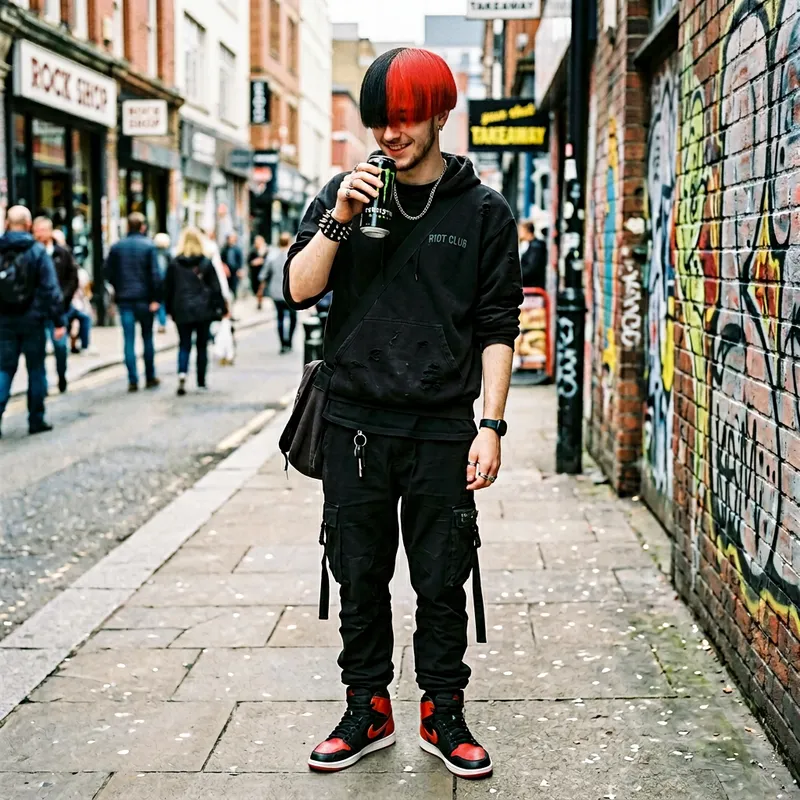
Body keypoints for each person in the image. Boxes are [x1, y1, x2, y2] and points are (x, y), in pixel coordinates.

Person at [284, 47, 522, 779]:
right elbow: (297, 289)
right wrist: (339, 219)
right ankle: (368, 709)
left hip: (443, 428)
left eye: (406, 119)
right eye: (380, 120)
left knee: (442, 577)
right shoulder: (343, 193)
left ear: (440, 115)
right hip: (354, 421)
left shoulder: (483, 211)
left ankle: (443, 713)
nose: (390, 134)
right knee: (358, 573)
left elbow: (498, 326)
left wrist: (492, 425)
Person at [0, 206, 65, 436]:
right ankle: (36, 419)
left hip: (5, 321)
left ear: (7, 223)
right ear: (28, 225)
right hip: (33, 320)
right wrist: (58, 321)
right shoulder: (37, 251)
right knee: (36, 370)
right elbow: (51, 289)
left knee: (4, 369)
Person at [164, 227, 226, 396]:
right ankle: (201, 382)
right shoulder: (205, 262)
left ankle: (182, 374)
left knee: (184, 344)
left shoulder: (174, 263)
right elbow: (215, 288)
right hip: (203, 310)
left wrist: (169, 309)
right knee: (201, 346)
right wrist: (221, 308)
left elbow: (167, 289)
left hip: (181, 309)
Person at [105, 212, 162, 392]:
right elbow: (155, 275)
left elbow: (107, 272)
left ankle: (133, 379)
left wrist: (118, 288)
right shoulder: (149, 246)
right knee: (147, 339)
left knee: (128, 340)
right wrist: (156, 299)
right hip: (145, 300)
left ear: (128, 227)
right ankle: (150, 376)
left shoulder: (117, 247)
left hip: (125, 300)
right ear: (143, 227)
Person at [32, 216, 78, 394]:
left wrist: (62, 299)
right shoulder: (32, 252)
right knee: (38, 352)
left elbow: (72, 278)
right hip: (37, 312)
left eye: (44, 229)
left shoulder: (62, 253)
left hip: (59, 310)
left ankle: (61, 375)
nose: (41, 233)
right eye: (38, 230)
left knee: (60, 347)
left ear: (50, 231)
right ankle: (41, 386)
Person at [260, 232, 296, 353]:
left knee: (280, 318)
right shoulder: (294, 255)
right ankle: (289, 342)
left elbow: (263, 275)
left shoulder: (271, 256)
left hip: (276, 292)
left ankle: (282, 344)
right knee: (293, 318)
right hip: (291, 293)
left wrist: (260, 292)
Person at [68, 265, 93, 355]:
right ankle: (85, 346)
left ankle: (73, 345)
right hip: (78, 305)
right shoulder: (83, 273)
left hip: (69, 305)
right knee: (86, 318)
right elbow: (88, 293)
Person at [519, 222, 547, 289]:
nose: (518, 233)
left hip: (533, 288)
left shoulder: (536, 246)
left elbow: (530, 269)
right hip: (531, 287)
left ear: (527, 231)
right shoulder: (533, 245)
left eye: (520, 230)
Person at [153, 233, 172, 333]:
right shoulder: (167, 254)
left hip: (157, 281)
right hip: (164, 282)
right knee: (162, 302)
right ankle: (162, 322)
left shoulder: (154, 253)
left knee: (158, 302)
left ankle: (161, 322)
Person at [220, 231, 244, 300]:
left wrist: (240, 269)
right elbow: (221, 259)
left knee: (234, 286)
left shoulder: (237, 249)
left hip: (235, 271)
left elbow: (240, 260)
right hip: (227, 270)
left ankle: (234, 298)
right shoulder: (224, 249)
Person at [248, 235, 269, 309]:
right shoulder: (253, 251)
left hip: (263, 273)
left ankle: (260, 301)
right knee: (256, 288)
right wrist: (254, 262)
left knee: (261, 288)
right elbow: (249, 261)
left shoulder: (266, 250)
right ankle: (259, 300)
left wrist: (262, 261)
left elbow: (269, 261)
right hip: (255, 273)